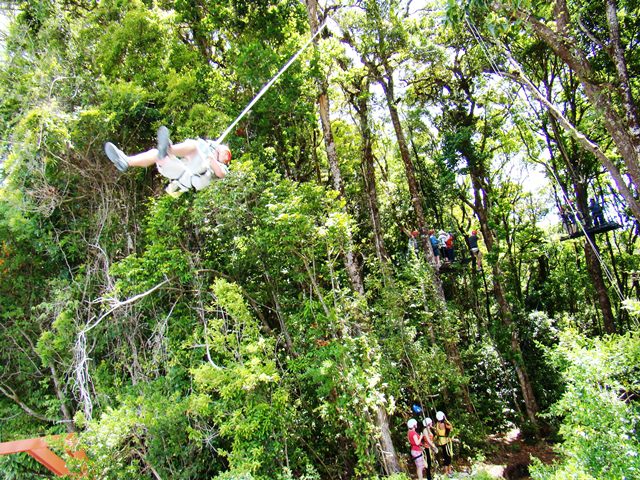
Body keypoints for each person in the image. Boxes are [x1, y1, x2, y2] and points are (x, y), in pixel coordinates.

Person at [104, 126, 232, 195]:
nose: (224, 155)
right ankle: (126, 161)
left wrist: (210, 156)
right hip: (182, 174)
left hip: (200, 176)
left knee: (194, 146)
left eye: (225, 154)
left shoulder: (219, 164)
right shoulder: (206, 150)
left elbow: (220, 173)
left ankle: (169, 149)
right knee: (156, 155)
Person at [434, 411, 454, 475]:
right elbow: (451, 428)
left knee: (446, 456)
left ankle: (449, 470)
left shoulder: (437, 424)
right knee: (448, 457)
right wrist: (446, 420)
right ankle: (447, 471)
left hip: (441, 441)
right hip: (445, 441)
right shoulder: (444, 424)